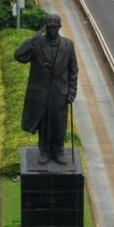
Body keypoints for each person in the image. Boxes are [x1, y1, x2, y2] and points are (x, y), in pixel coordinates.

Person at [15, 14, 78, 165]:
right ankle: (44, 151)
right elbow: (18, 56)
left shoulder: (68, 45)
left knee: (59, 124)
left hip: (60, 94)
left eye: (54, 27)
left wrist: (72, 92)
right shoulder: (37, 45)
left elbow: (73, 71)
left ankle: (58, 150)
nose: (52, 30)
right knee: (43, 125)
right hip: (41, 95)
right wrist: (34, 38)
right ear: (45, 28)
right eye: (48, 28)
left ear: (59, 28)